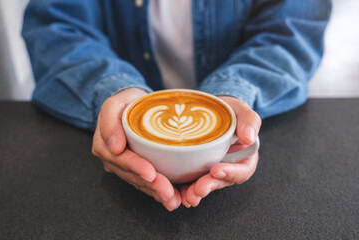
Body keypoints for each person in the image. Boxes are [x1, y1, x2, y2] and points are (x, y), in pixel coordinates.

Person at [22, 0, 331, 211]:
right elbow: (55, 26)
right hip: (125, 129)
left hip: (234, 117)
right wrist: (112, 89)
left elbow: (293, 30)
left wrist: (235, 92)